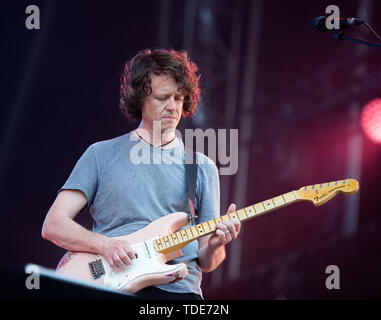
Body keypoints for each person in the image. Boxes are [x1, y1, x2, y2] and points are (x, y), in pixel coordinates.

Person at [41, 48, 241, 300]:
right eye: (162, 97)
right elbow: (54, 225)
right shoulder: (100, 154)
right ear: (140, 99)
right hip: (111, 281)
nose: (172, 107)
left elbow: (208, 260)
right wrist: (105, 245)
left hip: (177, 293)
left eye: (179, 98)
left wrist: (215, 244)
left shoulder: (202, 167)